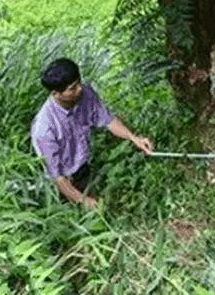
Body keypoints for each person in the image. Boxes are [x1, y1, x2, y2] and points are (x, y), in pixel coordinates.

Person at [31, 57, 154, 207]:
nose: (80, 89)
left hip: (82, 168)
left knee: (99, 210)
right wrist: (84, 200)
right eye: (73, 88)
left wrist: (134, 138)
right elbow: (57, 177)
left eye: (79, 82)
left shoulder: (85, 94)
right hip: (60, 184)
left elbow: (108, 120)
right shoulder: (44, 128)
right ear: (56, 94)